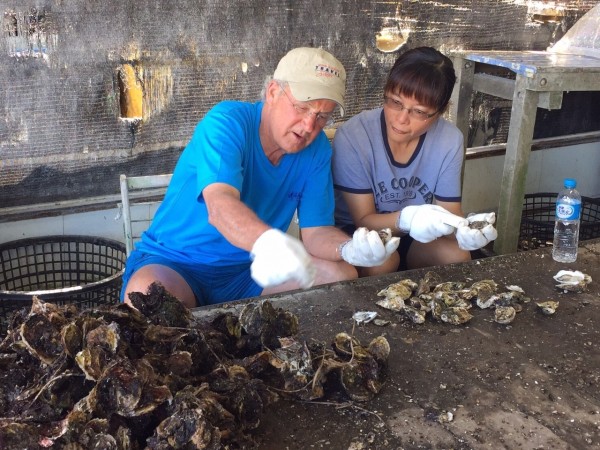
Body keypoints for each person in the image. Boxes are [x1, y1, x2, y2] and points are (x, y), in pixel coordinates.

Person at [121, 47, 400, 308]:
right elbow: (219, 206)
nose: (308, 126)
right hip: (177, 263)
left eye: (322, 116)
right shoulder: (227, 122)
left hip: (249, 273)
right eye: (302, 107)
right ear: (272, 92)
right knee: (149, 296)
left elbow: (316, 232)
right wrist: (270, 244)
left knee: (340, 273)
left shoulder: (316, 151)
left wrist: (349, 249)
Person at [331, 46, 497, 277]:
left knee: (455, 255)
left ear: (440, 110)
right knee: (383, 261)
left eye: (419, 112)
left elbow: (449, 211)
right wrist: (408, 219)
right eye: (395, 102)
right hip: (361, 235)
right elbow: (363, 220)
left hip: (417, 238)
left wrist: (464, 229)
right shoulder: (354, 136)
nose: (401, 119)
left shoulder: (449, 140)